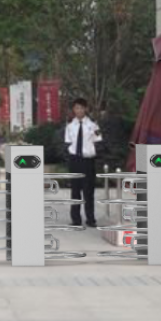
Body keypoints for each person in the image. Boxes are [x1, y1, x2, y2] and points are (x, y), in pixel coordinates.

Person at [64, 97, 103, 227]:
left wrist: (95, 155)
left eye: (81, 108)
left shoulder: (93, 125)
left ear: (86, 109)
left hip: (88, 161)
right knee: (75, 191)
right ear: (73, 110)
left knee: (88, 191)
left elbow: (99, 142)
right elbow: (68, 143)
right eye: (76, 108)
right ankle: (76, 219)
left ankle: (90, 219)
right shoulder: (70, 126)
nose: (78, 110)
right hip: (75, 160)